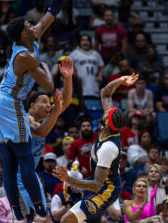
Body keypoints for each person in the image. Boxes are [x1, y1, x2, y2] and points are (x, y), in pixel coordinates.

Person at [0, 0, 78, 223]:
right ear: (23, 33)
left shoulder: (31, 38)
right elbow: (49, 84)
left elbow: (53, 10)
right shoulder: (25, 55)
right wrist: (52, 67)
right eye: (28, 24)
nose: (32, 23)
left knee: (10, 163)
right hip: (8, 103)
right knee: (25, 157)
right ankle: (39, 208)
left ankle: (18, 211)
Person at [53, 73, 139, 223]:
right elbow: (105, 93)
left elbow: (96, 185)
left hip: (105, 191)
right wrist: (120, 81)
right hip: (98, 184)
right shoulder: (110, 127)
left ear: (107, 121)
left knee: (67, 220)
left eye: (108, 112)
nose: (105, 110)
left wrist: (69, 180)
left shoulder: (108, 147)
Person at [17, 57, 73, 221]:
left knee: (44, 218)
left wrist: (68, 78)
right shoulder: (26, 118)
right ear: (32, 106)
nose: (49, 106)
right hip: (18, 175)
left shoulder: (45, 120)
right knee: (32, 218)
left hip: (31, 175)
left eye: (50, 103)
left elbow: (66, 102)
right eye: (44, 102)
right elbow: (38, 130)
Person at [70, 34, 104, 98]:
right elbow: (68, 65)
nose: (85, 42)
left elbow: (102, 66)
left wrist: (100, 76)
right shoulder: (74, 54)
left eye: (87, 40)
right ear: (80, 42)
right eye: (83, 40)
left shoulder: (96, 54)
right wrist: (74, 75)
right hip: (80, 84)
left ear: (90, 42)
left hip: (94, 83)